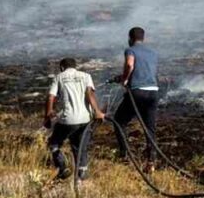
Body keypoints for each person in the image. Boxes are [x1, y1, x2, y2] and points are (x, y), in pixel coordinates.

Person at [45, 57, 105, 181]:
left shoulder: (59, 77)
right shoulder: (86, 76)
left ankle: (62, 167)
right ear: (75, 66)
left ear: (62, 67)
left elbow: (51, 97)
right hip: (85, 119)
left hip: (68, 119)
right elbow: (89, 94)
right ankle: (82, 173)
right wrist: (97, 111)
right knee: (79, 145)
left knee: (53, 143)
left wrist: (48, 114)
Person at [112, 25, 160, 170]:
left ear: (130, 38)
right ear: (143, 38)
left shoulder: (130, 50)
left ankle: (124, 155)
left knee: (119, 121)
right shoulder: (153, 53)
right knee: (150, 127)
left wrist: (124, 79)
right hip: (153, 91)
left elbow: (130, 64)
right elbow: (146, 70)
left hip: (137, 92)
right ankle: (151, 162)